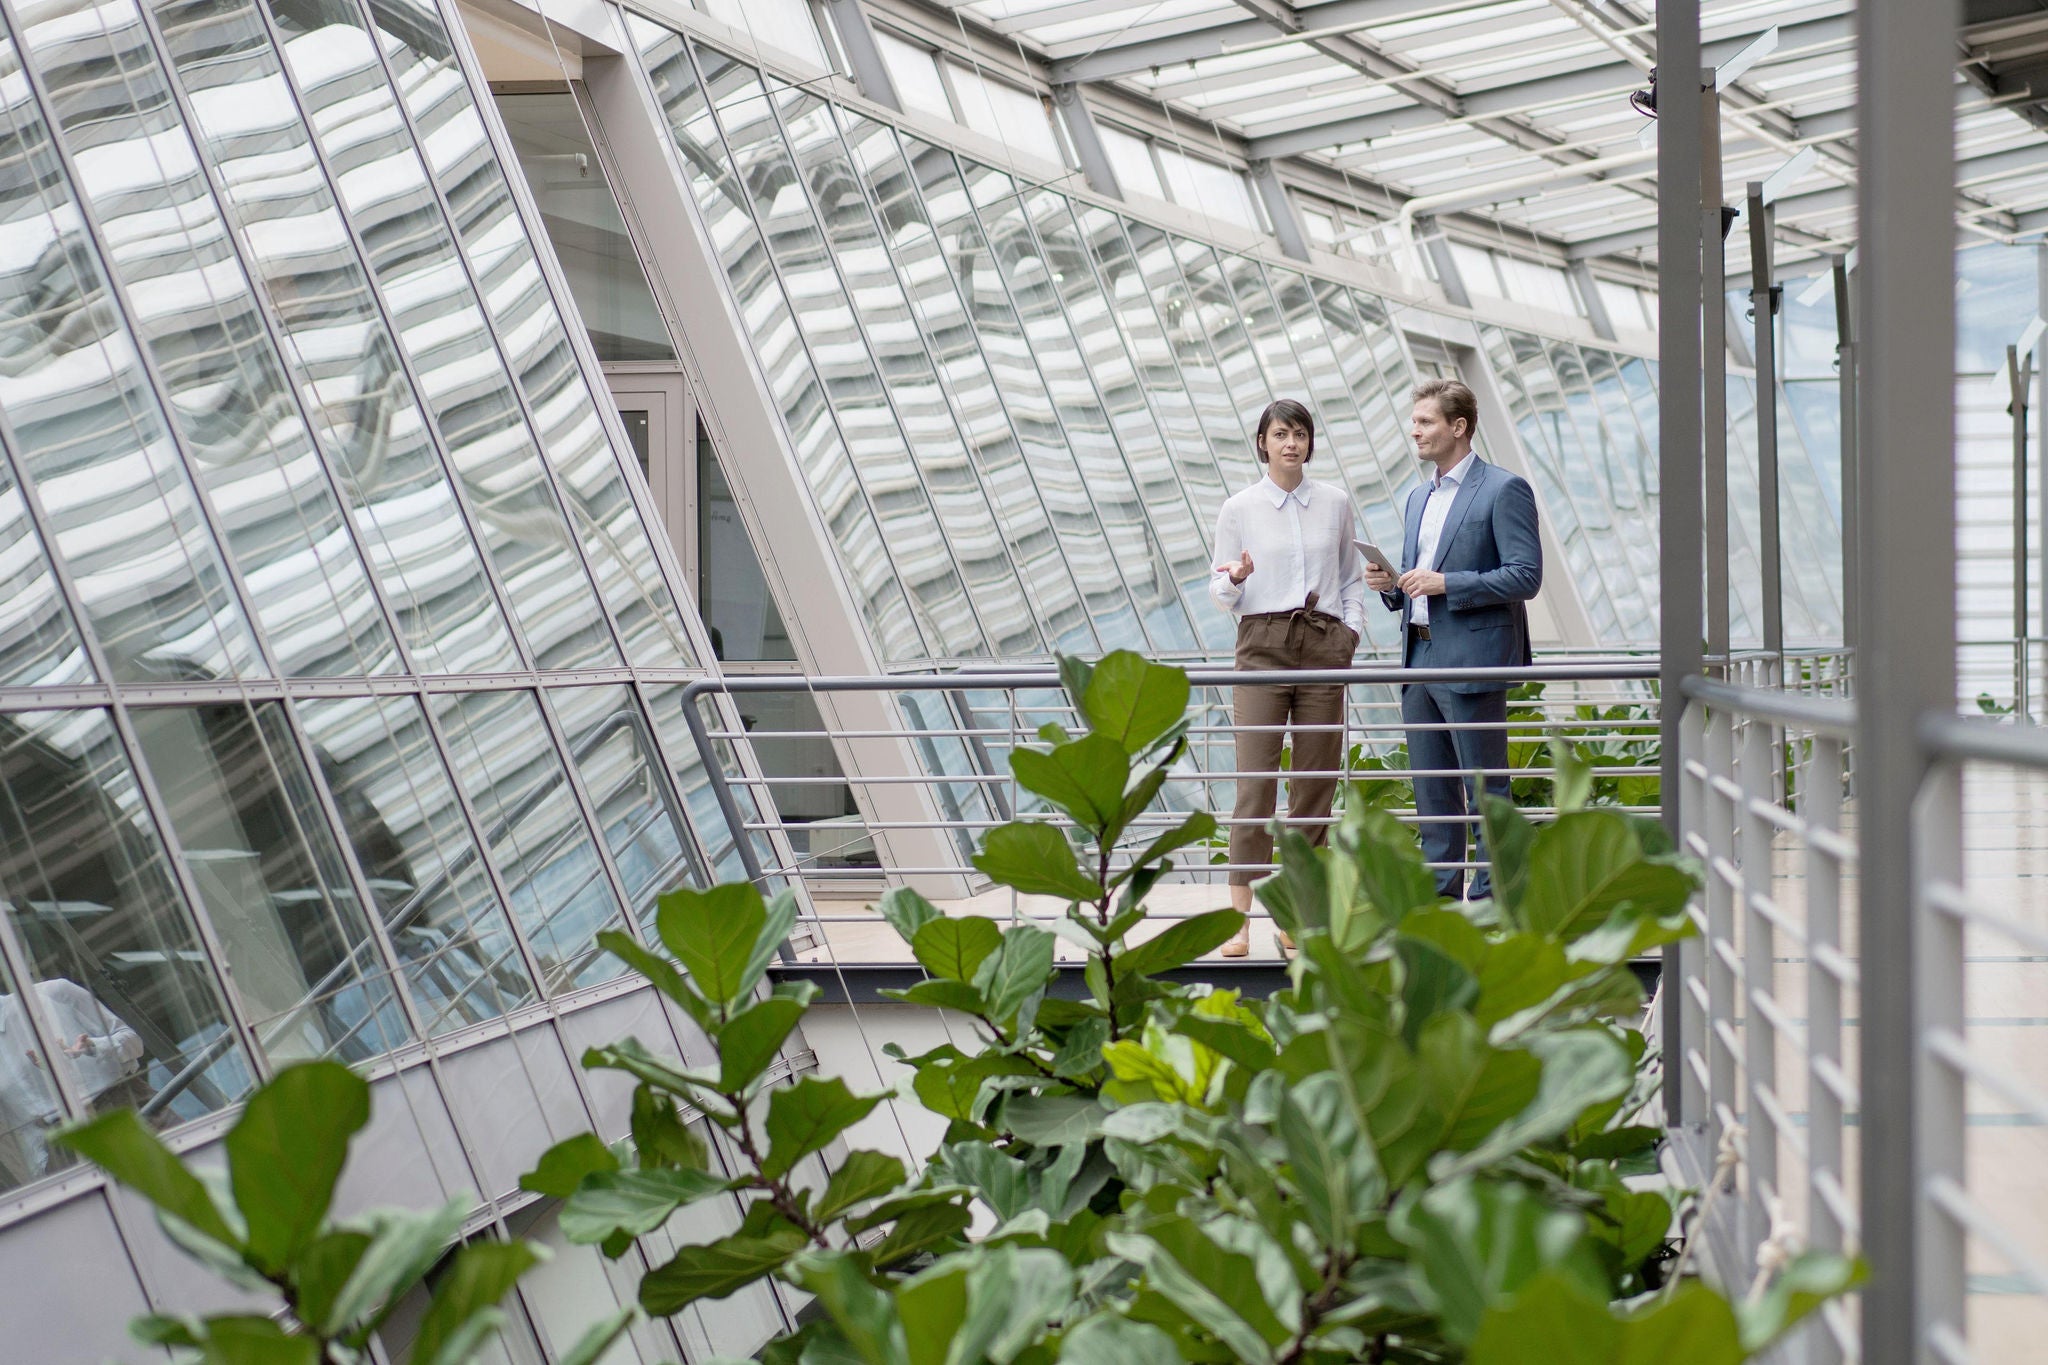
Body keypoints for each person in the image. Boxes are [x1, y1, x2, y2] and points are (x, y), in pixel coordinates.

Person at [1366, 378, 1542, 901]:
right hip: (1417, 656)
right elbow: (1421, 578)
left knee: (1486, 790)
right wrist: (1390, 587)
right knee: (1432, 791)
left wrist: (1449, 585)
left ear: (1459, 427)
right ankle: (1440, 897)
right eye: (1414, 420)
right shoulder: (1418, 496)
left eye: (1425, 422)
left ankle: (1494, 898)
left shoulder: (1503, 489)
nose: (1413, 431)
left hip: (1473, 659)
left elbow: (1525, 576)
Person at [1210, 399, 1367, 956]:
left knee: (1315, 787)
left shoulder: (1335, 503)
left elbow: (1350, 578)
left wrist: (1349, 635)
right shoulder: (1240, 508)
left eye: (1300, 433)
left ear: (1309, 442)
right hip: (1262, 644)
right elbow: (1222, 593)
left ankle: (1295, 915)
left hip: (1324, 642)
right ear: (1262, 443)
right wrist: (1236, 578)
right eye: (1280, 434)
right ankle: (1238, 919)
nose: (1291, 443)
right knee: (1255, 783)